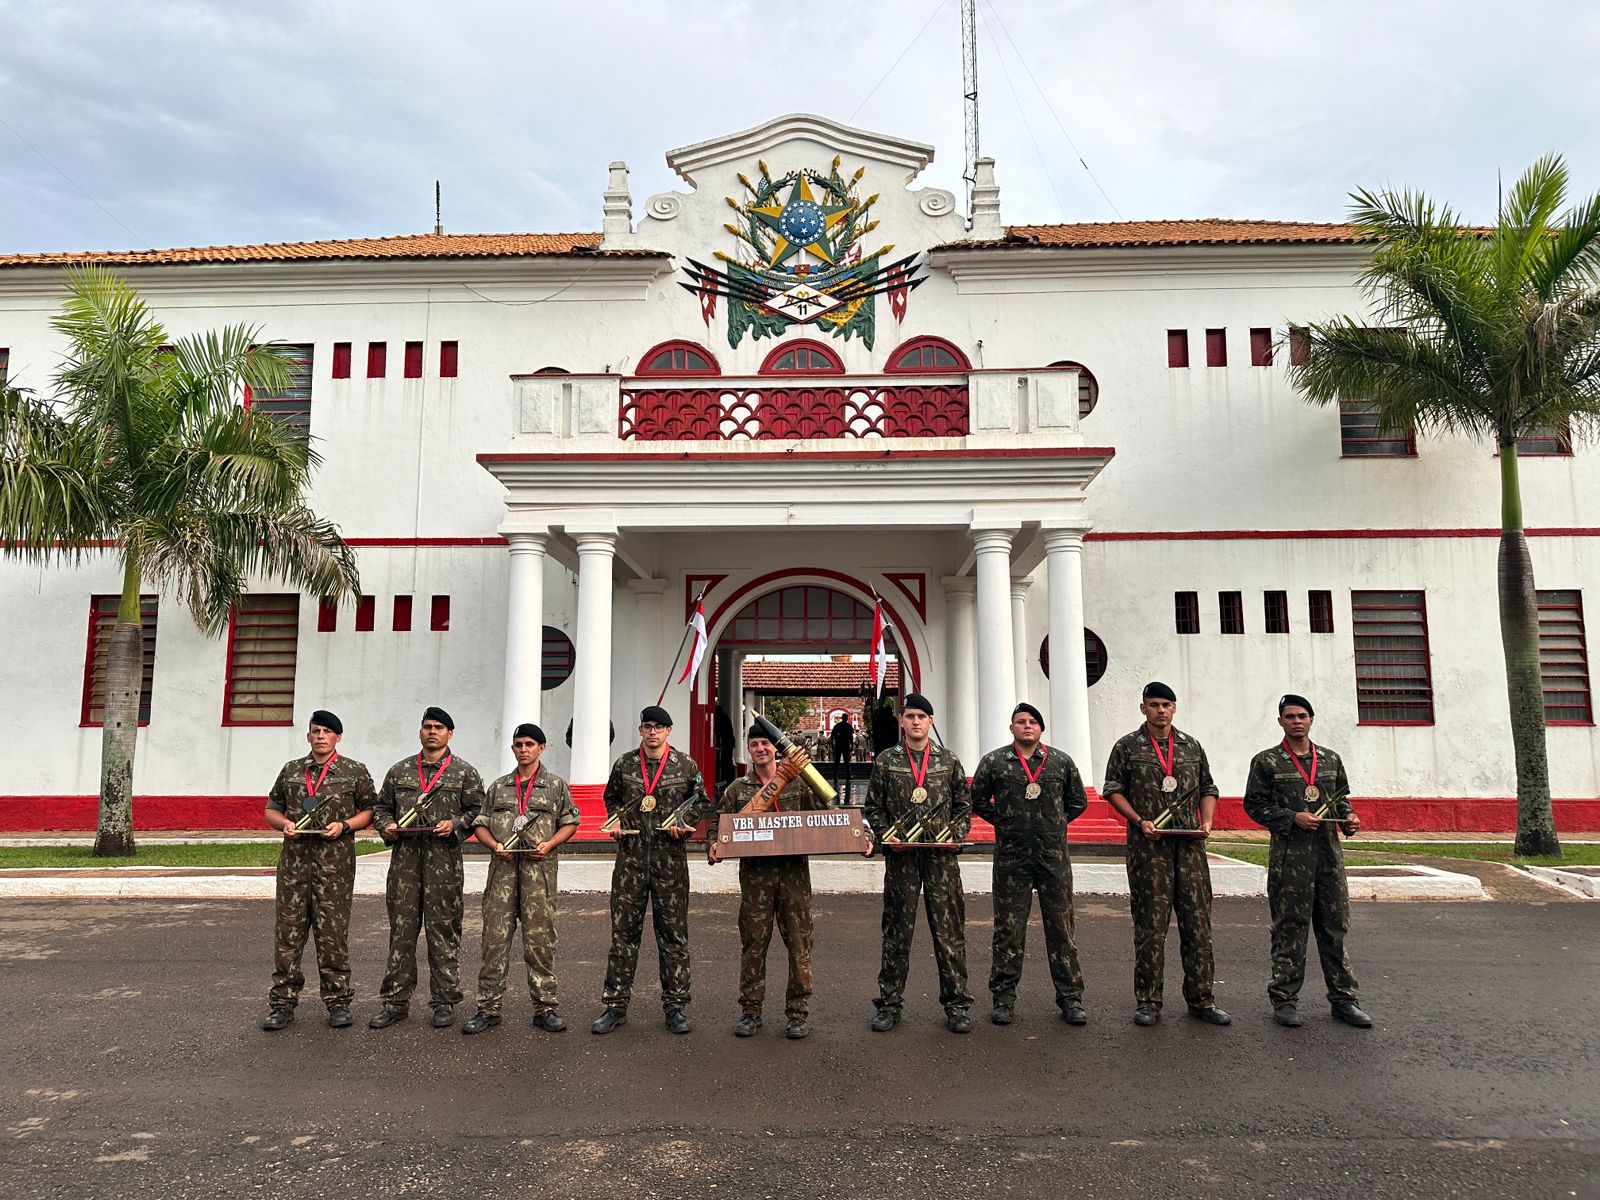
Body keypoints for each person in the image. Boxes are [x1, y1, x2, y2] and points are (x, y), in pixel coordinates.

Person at [1102, 682, 1231, 1028]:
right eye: (1154, 704)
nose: (1161, 710)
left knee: (1198, 926)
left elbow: (1208, 788)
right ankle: (1148, 1001)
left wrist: (1207, 820)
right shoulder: (1127, 747)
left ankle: (1202, 999)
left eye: (1167, 704)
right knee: (1150, 928)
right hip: (1150, 849)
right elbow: (1113, 790)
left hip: (1189, 848)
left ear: (1175, 708)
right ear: (1142, 708)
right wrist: (1139, 821)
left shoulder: (1191, 747)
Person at [1243, 694, 1373, 1029]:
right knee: (1290, 930)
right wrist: (1290, 817)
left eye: (1302, 716)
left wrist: (1349, 818)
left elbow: (1339, 799)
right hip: (1290, 860)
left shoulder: (1330, 759)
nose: (1296, 721)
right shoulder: (1267, 762)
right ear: (1280, 722)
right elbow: (1254, 805)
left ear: (1311, 719)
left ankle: (1344, 1000)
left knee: (1334, 929)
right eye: (1290, 716)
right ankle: (1285, 1000)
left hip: (1328, 858)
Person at [591, 706, 712, 1036]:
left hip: (669, 863)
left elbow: (701, 801)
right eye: (647, 726)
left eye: (660, 727)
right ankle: (615, 1006)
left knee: (673, 937)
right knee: (622, 937)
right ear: (641, 730)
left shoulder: (685, 765)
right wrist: (616, 821)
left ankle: (675, 1007)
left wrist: (685, 824)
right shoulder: (626, 764)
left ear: (669, 731)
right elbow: (611, 798)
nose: (653, 732)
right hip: (630, 862)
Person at [970, 702, 1089, 1027]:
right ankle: (1003, 999)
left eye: (1032, 722)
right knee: (1008, 930)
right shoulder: (995, 762)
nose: (1026, 726)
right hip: (1012, 859)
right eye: (1020, 722)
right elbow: (977, 799)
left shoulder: (1060, 762)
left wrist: (1055, 822)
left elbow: (1078, 800)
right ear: (1011, 728)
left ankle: (1071, 998)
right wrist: (1004, 822)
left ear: (1041, 729)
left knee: (1061, 929)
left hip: (1053, 859)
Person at [369, 707, 486, 1030]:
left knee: (443, 933)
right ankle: (395, 1002)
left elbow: (478, 810)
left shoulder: (464, 773)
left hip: (443, 864)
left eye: (439, 727)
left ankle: (445, 1001)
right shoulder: (400, 771)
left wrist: (457, 824)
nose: (432, 732)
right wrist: (387, 825)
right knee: (402, 935)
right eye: (427, 727)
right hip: (405, 863)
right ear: (420, 732)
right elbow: (381, 808)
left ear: (450, 733)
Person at [260, 710, 377, 1031]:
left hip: (334, 867)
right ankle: (282, 1003)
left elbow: (370, 810)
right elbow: (271, 809)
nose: (320, 736)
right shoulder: (292, 771)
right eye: (315, 731)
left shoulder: (353, 772)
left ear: (338, 737)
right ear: (308, 736)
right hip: (295, 867)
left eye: (327, 731)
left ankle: (338, 1002)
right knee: (288, 936)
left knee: (332, 936)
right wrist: (284, 824)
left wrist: (345, 825)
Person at [863, 693, 973, 1033]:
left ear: (931, 721)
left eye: (921, 717)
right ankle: (890, 1004)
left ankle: (956, 1005)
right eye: (909, 716)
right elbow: (873, 807)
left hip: (941, 859)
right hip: (902, 860)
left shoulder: (948, 761)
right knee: (897, 932)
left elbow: (964, 806)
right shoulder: (886, 761)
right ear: (902, 721)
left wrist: (956, 835)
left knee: (949, 933)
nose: (915, 722)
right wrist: (886, 836)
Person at [462, 722, 581, 1035]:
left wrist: (550, 844)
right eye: (518, 745)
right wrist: (494, 845)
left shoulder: (555, 786)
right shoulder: (499, 787)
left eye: (530, 744)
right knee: (494, 942)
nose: (524, 750)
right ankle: (488, 1009)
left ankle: (545, 1008)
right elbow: (481, 824)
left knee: (539, 942)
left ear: (541, 748)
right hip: (502, 874)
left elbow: (570, 823)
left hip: (538, 874)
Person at [708, 725, 825, 1039]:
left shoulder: (800, 785)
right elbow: (720, 826)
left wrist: (860, 838)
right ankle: (750, 1012)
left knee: (800, 946)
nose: (760, 749)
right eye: (754, 744)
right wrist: (714, 845)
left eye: (766, 743)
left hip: (794, 878)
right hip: (756, 881)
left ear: (776, 748)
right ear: (748, 749)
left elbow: (829, 816)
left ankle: (798, 1014)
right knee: (754, 946)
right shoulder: (737, 789)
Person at [830, 713, 856, 803]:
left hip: (841, 746)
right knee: (843, 763)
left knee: (842, 763)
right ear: (845, 718)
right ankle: (844, 777)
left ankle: (841, 777)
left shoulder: (838, 726)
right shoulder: (847, 726)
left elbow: (832, 737)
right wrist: (851, 746)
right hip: (842, 746)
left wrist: (833, 745)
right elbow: (832, 736)